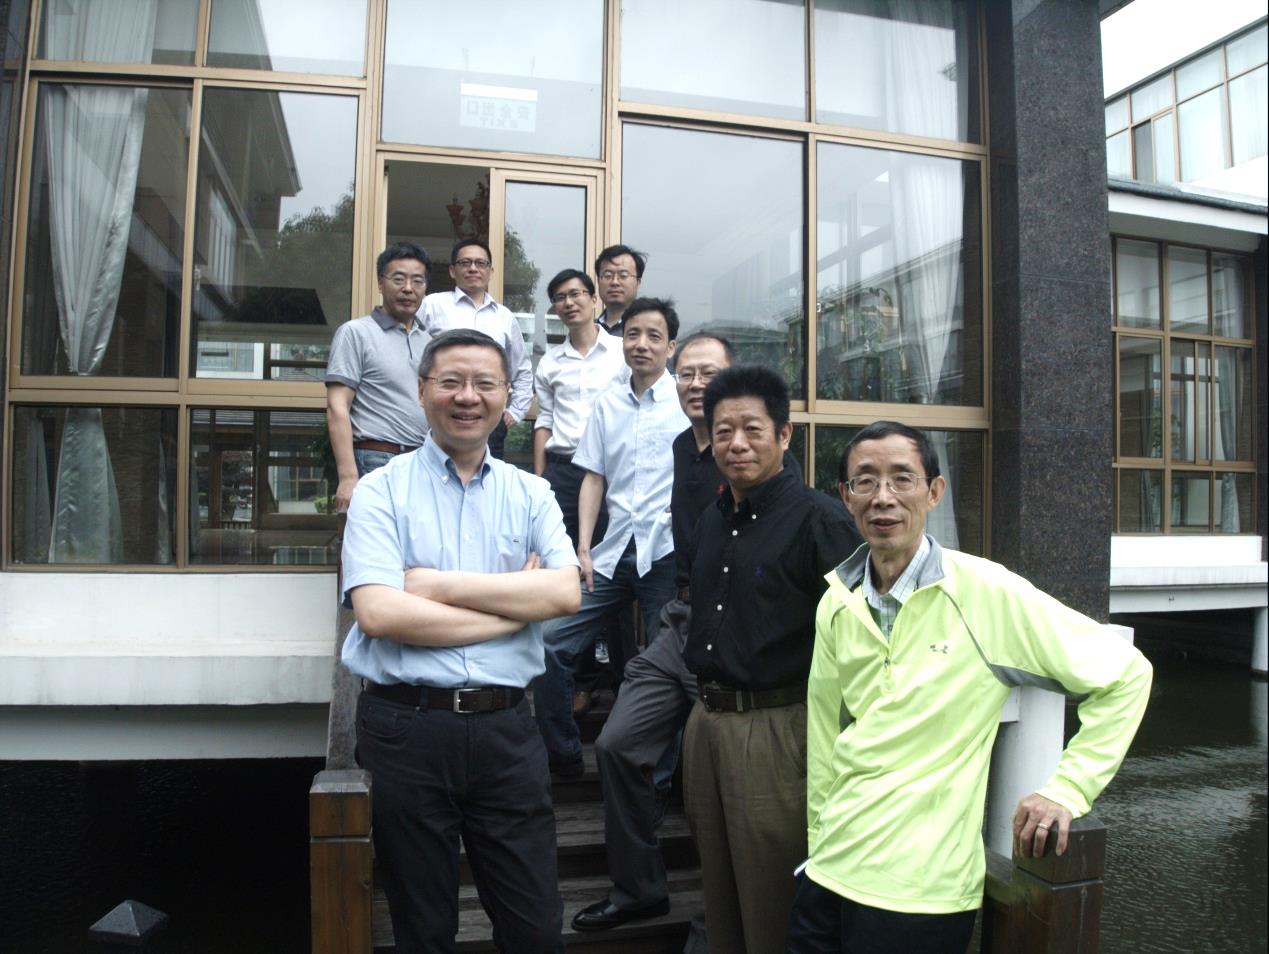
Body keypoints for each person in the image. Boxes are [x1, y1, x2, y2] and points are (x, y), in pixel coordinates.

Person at [788, 421, 1153, 954]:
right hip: (829, 872)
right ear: (846, 497)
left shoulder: (984, 591)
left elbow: (1127, 674)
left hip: (922, 891)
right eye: (865, 481)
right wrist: (818, 842)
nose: (883, 497)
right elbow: (825, 734)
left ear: (934, 491)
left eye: (902, 479)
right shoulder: (837, 600)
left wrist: (1067, 790)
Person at [339, 328, 581, 953]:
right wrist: (512, 609)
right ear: (422, 391)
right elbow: (379, 613)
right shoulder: (380, 489)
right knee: (424, 930)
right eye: (451, 382)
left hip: (508, 732)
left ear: (505, 396)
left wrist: (436, 586)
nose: (467, 396)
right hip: (407, 730)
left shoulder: (532, 492)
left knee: (535, 929)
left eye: (484, 383)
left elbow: (563, 593)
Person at [574, 332, 803, 933]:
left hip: (744, 635)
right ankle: (639, 889)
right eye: (687, 374)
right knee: (618, 744)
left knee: (724, 780)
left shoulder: (764, 462)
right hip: (684, 619)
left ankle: (719, 916)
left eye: (710, 373)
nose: (697, 384)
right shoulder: (681, 445)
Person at [680, 365, 861, 954]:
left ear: (784, 435)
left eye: (752, 429)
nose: (736, 444)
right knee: (719, 892)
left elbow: (863, 640)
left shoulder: (821, 521)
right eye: (723, 431)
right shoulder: (712, 519)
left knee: (773, 898)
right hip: (706, 723)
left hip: (778, 727)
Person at [534, 297, 687, 778]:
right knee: (549, 642)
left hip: (666, 553)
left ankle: (659, 779)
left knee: (666, 664)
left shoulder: (686, 402)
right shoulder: (608, 402)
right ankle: (563, 755)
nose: (642, 344)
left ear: (671, 347)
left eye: (654, 336)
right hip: (613, 550)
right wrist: (583, 547)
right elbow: (593, 478)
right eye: (633, 334)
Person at [325, 242, 433, 511]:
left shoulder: (430, 342)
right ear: (380, 283)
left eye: (417, 281)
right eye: (398, 279)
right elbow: (337, 406)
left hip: (423, 461)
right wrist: (348, 477)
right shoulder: (356, 333)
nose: (408, 288)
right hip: (376, 459)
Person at [532, 268, 628, 548]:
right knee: (555, 551)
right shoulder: (550, 362)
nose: (569, 303)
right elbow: (545, 420)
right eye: (560, 298)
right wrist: (540, 480)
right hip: (562, 471)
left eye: (575, 294)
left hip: (610, 470)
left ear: (594, 299)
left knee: (605, 552)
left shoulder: (622, 352)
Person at [422, 238, 532, 460]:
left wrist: (515, 412)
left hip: (488, 422)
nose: (473, 268)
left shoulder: (504, 317)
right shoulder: (432, 305)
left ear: (491, 272)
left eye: (480, 263)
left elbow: (522, 369)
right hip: (443, 415)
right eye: (465, 263)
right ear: (452, 271)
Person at [594, 244, 646, 335]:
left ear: (638, 283)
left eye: (623, 276)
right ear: (598, 281)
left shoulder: (647, 329)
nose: (615, 282)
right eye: (608, 276)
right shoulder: (590, 330)